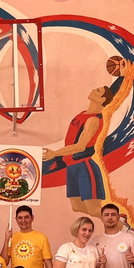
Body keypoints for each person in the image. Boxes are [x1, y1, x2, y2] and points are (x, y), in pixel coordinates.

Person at [42, 86, 115, 217]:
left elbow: (81, 147)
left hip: (84, 166)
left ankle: (121, 224)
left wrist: (55, 153)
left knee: (93, 209)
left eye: (98, 91)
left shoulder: (93, 120)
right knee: (76, 207)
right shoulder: (83, 114)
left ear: (102, 99)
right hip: (72, 166)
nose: (93, 90)